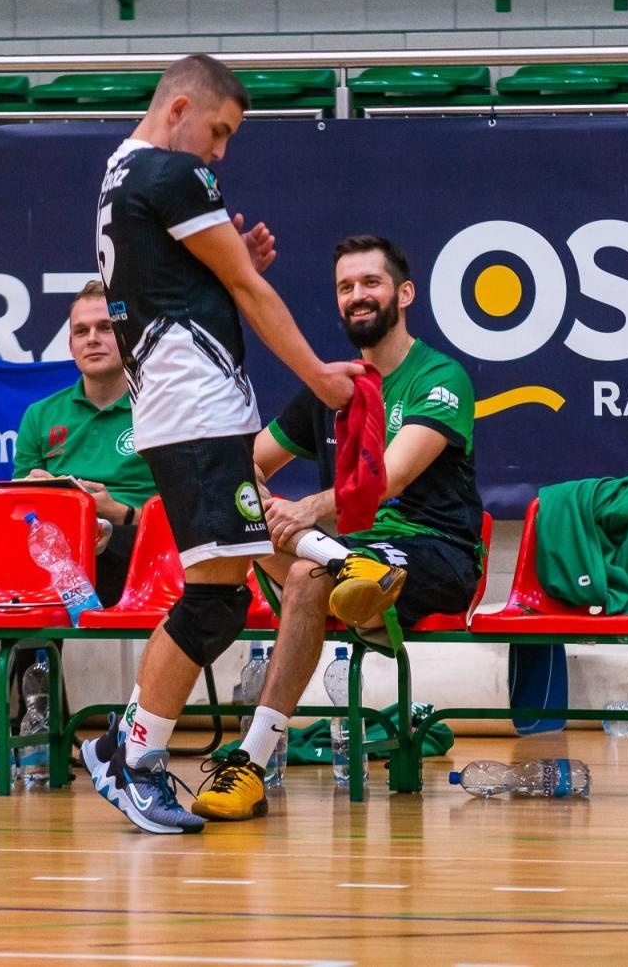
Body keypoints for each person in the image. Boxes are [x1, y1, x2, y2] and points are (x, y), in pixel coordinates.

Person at [78, 54, 401, 835]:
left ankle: (129, 748)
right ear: (181, 106)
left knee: (218, 597)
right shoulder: (173, 174)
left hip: (178, 406)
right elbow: (253, 294)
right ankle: (134, 758)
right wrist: (322, 379)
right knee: (214, 601)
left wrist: (226, 270)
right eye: (218, 133)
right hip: (197, 408)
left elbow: (185, 285)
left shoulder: (120, 172)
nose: (220, 153)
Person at [188, 234, 484, 822]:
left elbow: (388, 481)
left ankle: (250, 764)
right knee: (241, 514)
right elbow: (252, 459)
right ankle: (340, 563)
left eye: (370, 283)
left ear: (403, 293)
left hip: (434, 552)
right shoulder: (330, 386)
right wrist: (258, 499)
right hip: (346, 554)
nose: (357, 297)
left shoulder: (440, 376)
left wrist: (303, 511)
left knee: (302, 571)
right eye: (345, 288)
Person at [0, 279, 154, 725]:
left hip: (128, 554)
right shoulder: (41, 414)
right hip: (53, 548)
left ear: (127, 337)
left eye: (104, 328)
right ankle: (37, 722)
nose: (93, 339)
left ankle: (37, 722)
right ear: (70, 342)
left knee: (43, 565)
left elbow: (183, 509)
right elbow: (25, 515)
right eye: (82, 331)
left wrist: (114, 511)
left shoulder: (159, 412)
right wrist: (34, 490)